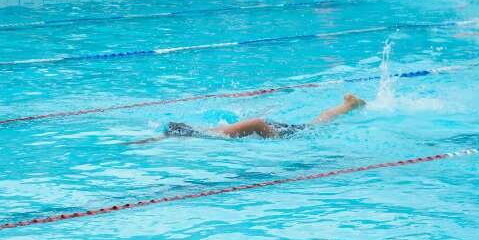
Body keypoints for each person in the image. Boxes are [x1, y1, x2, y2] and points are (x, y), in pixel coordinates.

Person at [156, 93, 365, 143]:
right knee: (313, 124)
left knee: (315, 126)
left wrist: (275, 140)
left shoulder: (213, 135)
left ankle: (349, 105)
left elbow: (256, 123)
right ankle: (348, 104)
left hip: (273, 130)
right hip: (270, 127)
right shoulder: (205, 132)